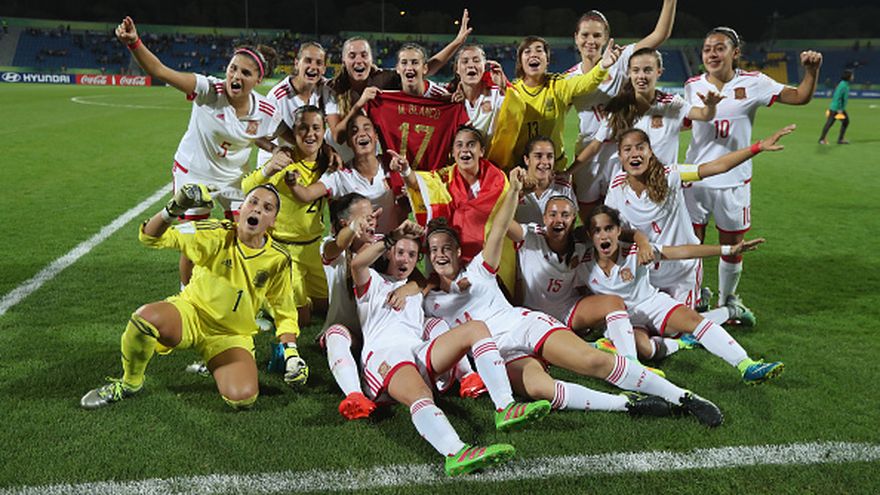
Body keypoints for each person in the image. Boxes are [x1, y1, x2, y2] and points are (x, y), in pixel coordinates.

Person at [423, 167, 725, 427]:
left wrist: (513, 190)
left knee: (592, 361)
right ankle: (627, 404)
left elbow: (499, 227)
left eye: (446, 248)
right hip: (499, 352)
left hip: (524, 324)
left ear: (458, 251)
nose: (440, 254)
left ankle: (685, 397)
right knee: (542, 389)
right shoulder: (427, 301)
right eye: (434, 250)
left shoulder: (479, 268)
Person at [350, 220, 550, 476]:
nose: (405, 259)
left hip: (417, 350)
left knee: (476, 328)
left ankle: (505, 407)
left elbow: (426, 282)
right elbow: (357, 264)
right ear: (389, 253)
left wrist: (414, 287)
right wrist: (395, 234)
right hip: (385, 356)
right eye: (400, 252)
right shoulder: (372, 284)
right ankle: (455, 453)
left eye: (412, 254)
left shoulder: (417, 289)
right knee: (421, 394)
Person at [81, 184, 299, 410]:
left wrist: (291, 353)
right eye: (252, 202)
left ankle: (215, 363)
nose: (257, 209)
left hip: (231, 335)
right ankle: (130, 383)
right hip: (192, 314)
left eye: (267, 208)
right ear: (241, 208)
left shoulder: (278, 258)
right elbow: (151, 237)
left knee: (243, 398)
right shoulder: (214, 232)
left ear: (273, 221)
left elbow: (284, 309)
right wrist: (173, 210)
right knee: (144, 319)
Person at [114, 16, 284, 287]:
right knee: (194, 239)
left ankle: (235, 291)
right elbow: (160, 70)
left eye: (245, 73)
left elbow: (263, 136)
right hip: (195, 173)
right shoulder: (208, 90)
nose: (235, 76)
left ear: (258, 80)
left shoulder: (265, 110)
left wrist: (275, 149)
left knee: (247, 234)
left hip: (234, 179)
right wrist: (134, 42)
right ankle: (187, 293)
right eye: (233, 68)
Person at [683, 27, 822, 312]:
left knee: (733, 245)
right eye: (707, 49)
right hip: (697, 179)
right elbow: (682, 122)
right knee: (691, 244)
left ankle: (727, 300)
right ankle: (693, 298)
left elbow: (799, 96)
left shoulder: (755, 82)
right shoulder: (692, 85)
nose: (712, 54)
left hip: (734, 181)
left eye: (719, 48)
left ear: (735, 53)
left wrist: (811, 71)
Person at [605, 126, 794, 325]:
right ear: (620, 156)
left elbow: (718, 166)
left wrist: (758, 147)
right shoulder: (616, 186)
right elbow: (613, 229)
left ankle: (730, 310)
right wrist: (637, 241)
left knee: (680, 329)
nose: (634, 153)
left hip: (682, 269)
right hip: (647, 272)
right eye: (627, 149)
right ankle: (700, 301)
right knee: (646, 325)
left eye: (640, 147)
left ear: (650, 152)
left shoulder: (672, 175)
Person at [583, 205, 784, 384]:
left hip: (651, 304)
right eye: (597, 230)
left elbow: (683, 251)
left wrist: (729, 249)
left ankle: (746, 365)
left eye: (609, 228)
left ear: (619, 230)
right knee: (645, 350)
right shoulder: (581, 260)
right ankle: (680, 343)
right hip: (622, 319)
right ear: (589, 235)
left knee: (693, 320)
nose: (604, 236)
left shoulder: (637, 250)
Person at [571, 48, 723, 218]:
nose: (641, 76)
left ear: (659, 72)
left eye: (648, 70)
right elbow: (595, 145)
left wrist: (710, 106)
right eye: (636, 70)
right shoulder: (619, 108)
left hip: (664, 191)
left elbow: (703, 115)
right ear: (629, 73)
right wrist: (569, 172)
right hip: (632, 193)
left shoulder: (672, 104)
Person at [242, 106, 330, 332]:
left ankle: (290, 295)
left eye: (316, 128)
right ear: (294, 131)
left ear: (324, 131)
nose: (310, 134)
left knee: (325, 307)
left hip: (313, 248)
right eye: (303, 128)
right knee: (302, 320)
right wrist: (269, 168)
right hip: (286, 249)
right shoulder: (284, 163)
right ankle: (265, 300)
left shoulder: (327, 163)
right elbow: (246, 188)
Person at [330, 10, 472, 144]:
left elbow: (425, 68)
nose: (359, 60)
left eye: (364, 55)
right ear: (343, 61)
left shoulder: (383, 80)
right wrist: (360, 103)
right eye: (352, 56)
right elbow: (338, 137)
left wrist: (457, 42)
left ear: (371, 59)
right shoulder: (333, 89)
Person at [566, 1, 678, 156]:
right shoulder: (569, 78)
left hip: (621, 154)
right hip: (588, 156)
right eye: (585, 35)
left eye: (597, 35)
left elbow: (660, 35)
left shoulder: (621, 60)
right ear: (576, 38)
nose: (590, 41)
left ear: (605, 39)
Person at [495, 36, 621, 170]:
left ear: (547, 60)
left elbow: (586, 82)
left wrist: (602, 66)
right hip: (521, 168)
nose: (533, 54)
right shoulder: (512, 92)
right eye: (527, 51)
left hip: (554, 168)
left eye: (539, 50)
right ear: (520, 60)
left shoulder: (558, 86)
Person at [286, 114, 403, 235]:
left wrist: (405, 172)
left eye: (367, 128)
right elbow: (307, 194)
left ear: (376, 136)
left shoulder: (391, 165)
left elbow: (414, 190)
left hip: (389, 243)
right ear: (349, 142)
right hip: (357, 244)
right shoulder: (340, 175)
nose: (362, 134)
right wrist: (293, 183)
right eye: (354, 131)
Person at [363, 44, 469, 172]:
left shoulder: (443, 98)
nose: (409, 67)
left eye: (414, 62)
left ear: (425, 68)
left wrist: (462, 103)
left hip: (431, 179)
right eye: (404, 63)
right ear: (397, 69)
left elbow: (466, 135)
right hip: (396, 176)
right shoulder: (381, 101)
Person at [257, 41, 341, 165]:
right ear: (297, 63)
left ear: (324, 69)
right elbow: (257, 135)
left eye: (319, 63)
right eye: (308, 61)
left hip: (307, 161)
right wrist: (275, 150)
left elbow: (336, 130)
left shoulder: (326, 90)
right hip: (276, 163)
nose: (313, 67)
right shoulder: (277, 97)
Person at [449, 44, 508, 146]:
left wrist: (504, 88)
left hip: (493, 156)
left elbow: (517, 114)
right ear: (457, 69)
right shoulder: (448, 98)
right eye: (465, 61)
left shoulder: (497, 95)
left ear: (484, 67)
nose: (471, 65)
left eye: (476, 61)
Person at [514, 136, 577, 225]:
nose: (545, 162)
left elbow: (570, 223)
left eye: (550, 156)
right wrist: (518, 194)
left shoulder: (563, 188)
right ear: (527, 159)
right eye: (538, 156)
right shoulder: (514, 186)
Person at [819, 69, 853, 145]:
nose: (853, 77)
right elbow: (838, 97)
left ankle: (823, 139)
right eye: (852, 75)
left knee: (831, 123)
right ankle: (838, 139)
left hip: (835, 107)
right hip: (837, 108)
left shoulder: (843, 84)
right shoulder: (843, 85)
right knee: (842, 122)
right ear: (848, 76)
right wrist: (839, 109)